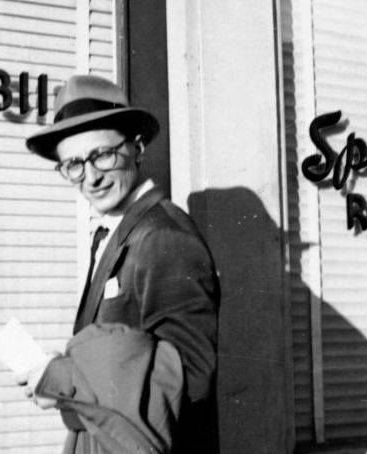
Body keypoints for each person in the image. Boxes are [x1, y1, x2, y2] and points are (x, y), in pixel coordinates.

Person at [17, 75, 220, 454]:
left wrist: (69, 379)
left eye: (103, 155)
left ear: (138, 147)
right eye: (73, 165)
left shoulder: (164, 237)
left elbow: (191, 378)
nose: (91, 177)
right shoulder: (114, 232)